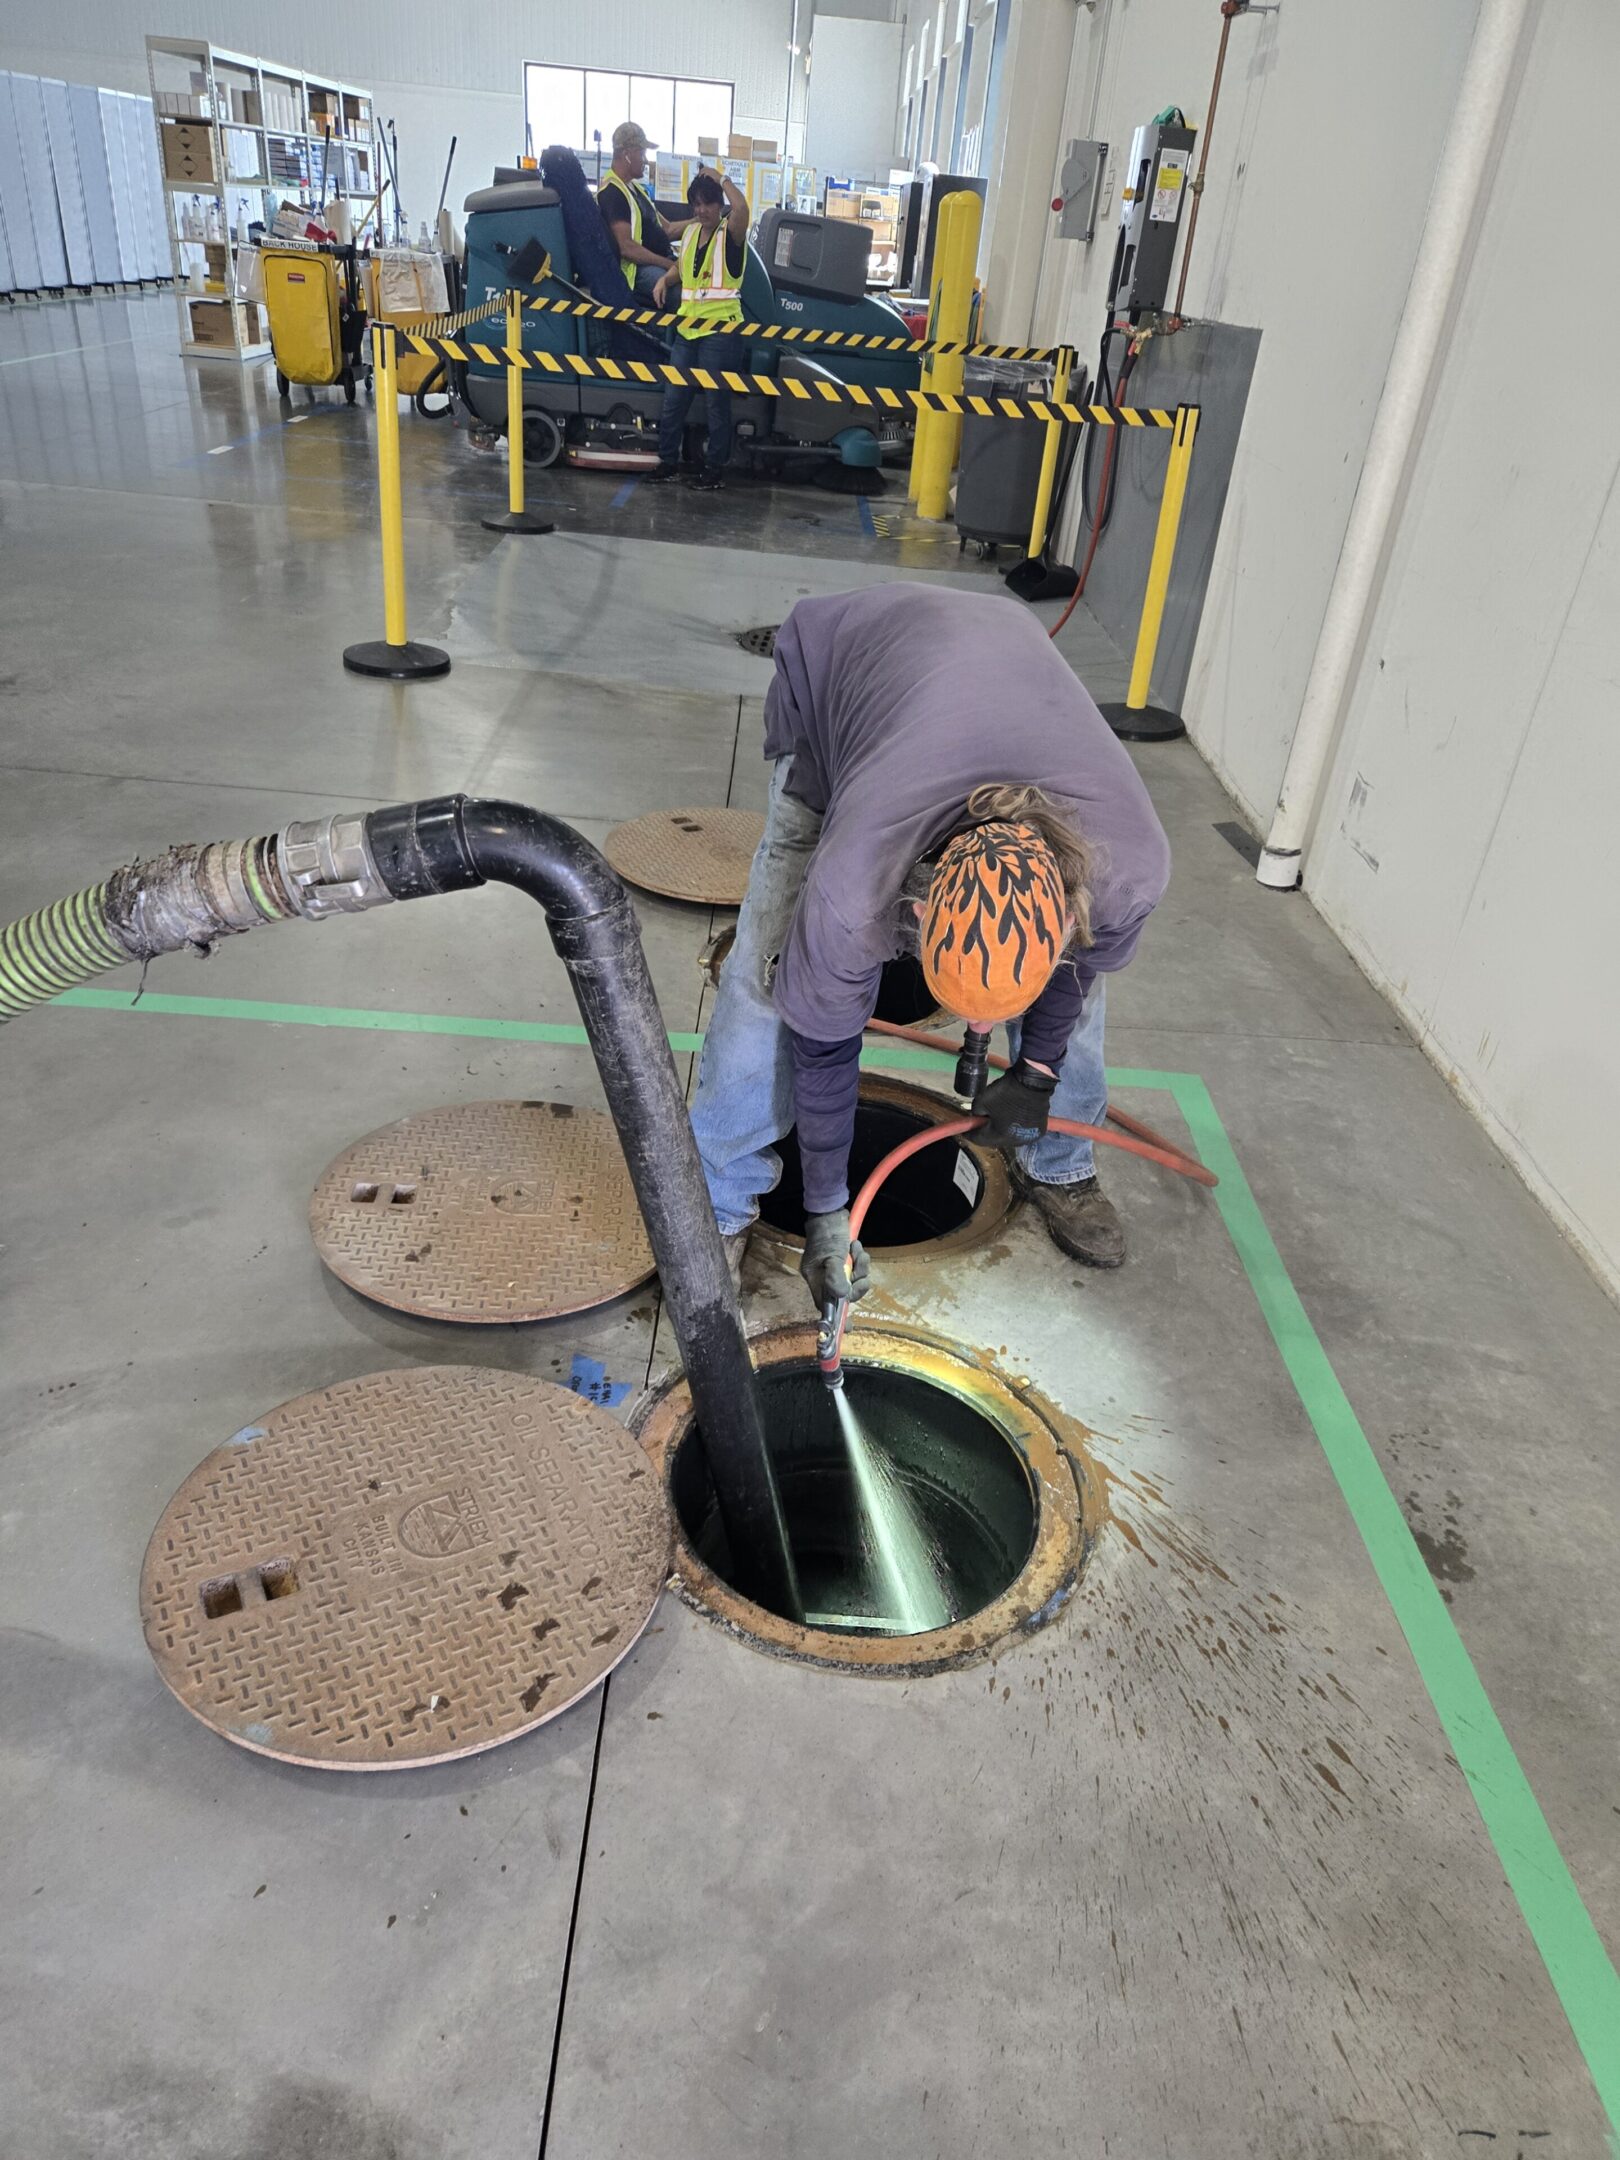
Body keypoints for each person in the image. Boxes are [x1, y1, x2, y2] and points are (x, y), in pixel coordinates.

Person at [689, 584, 1172, 1315]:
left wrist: (1037, 1074)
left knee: (1084, 1004)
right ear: (914, 912)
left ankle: (1060, 1162)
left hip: (1003, 651)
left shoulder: (1126, 867)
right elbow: (825, 1048)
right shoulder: (855, 885)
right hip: (845, 666)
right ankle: (716, 1205)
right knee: (769, 976)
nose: (974, 1038)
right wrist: (825, 1213)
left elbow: (1076, 974)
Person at [646, 167, 750, 492]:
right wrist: (665, 279)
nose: (701, 210)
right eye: (696, 204)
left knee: (717, 404)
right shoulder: (691, 233)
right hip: (688, 331)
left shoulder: (730, 233)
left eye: (707, 203)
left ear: (719, 205)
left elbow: (744, 209)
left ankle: (715, 470)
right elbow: (683, 267)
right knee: (674, 398)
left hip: (720, 332)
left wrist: (721, 178)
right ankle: (668, 463)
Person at [596, 122, 687, 300]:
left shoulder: (637, 190)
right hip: (637, 270)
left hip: (656, 262)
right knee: (680, 292)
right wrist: (669, 264)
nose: (645, 160)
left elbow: (667, 229)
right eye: (642, 153)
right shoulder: (612, 192)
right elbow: (627, 248)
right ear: (626, 154)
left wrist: (700, 221)